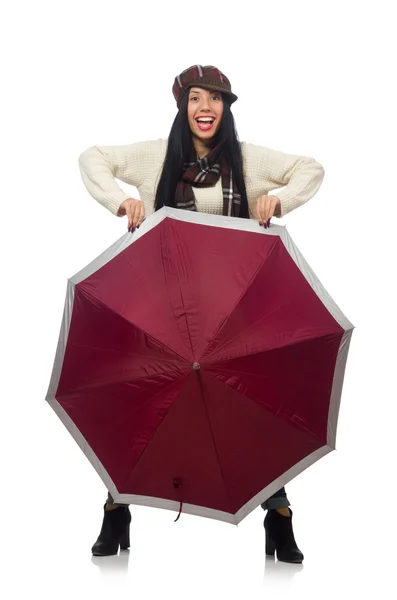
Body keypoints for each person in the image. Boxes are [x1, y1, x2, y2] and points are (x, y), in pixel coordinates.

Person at [78, 64, 325, 563]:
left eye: (214, 99)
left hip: (231, 312)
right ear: (183, 106)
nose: (205, 108)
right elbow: (92, 158)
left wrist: (279, 198)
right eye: (195, 99)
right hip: (162, 308)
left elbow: (311, 168)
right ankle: (116, 506)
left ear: (226, 107)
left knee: (256, 404)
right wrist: (121, 201)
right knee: (135, 399)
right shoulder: (156, 159)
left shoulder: (248, 162)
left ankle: (278, 515)